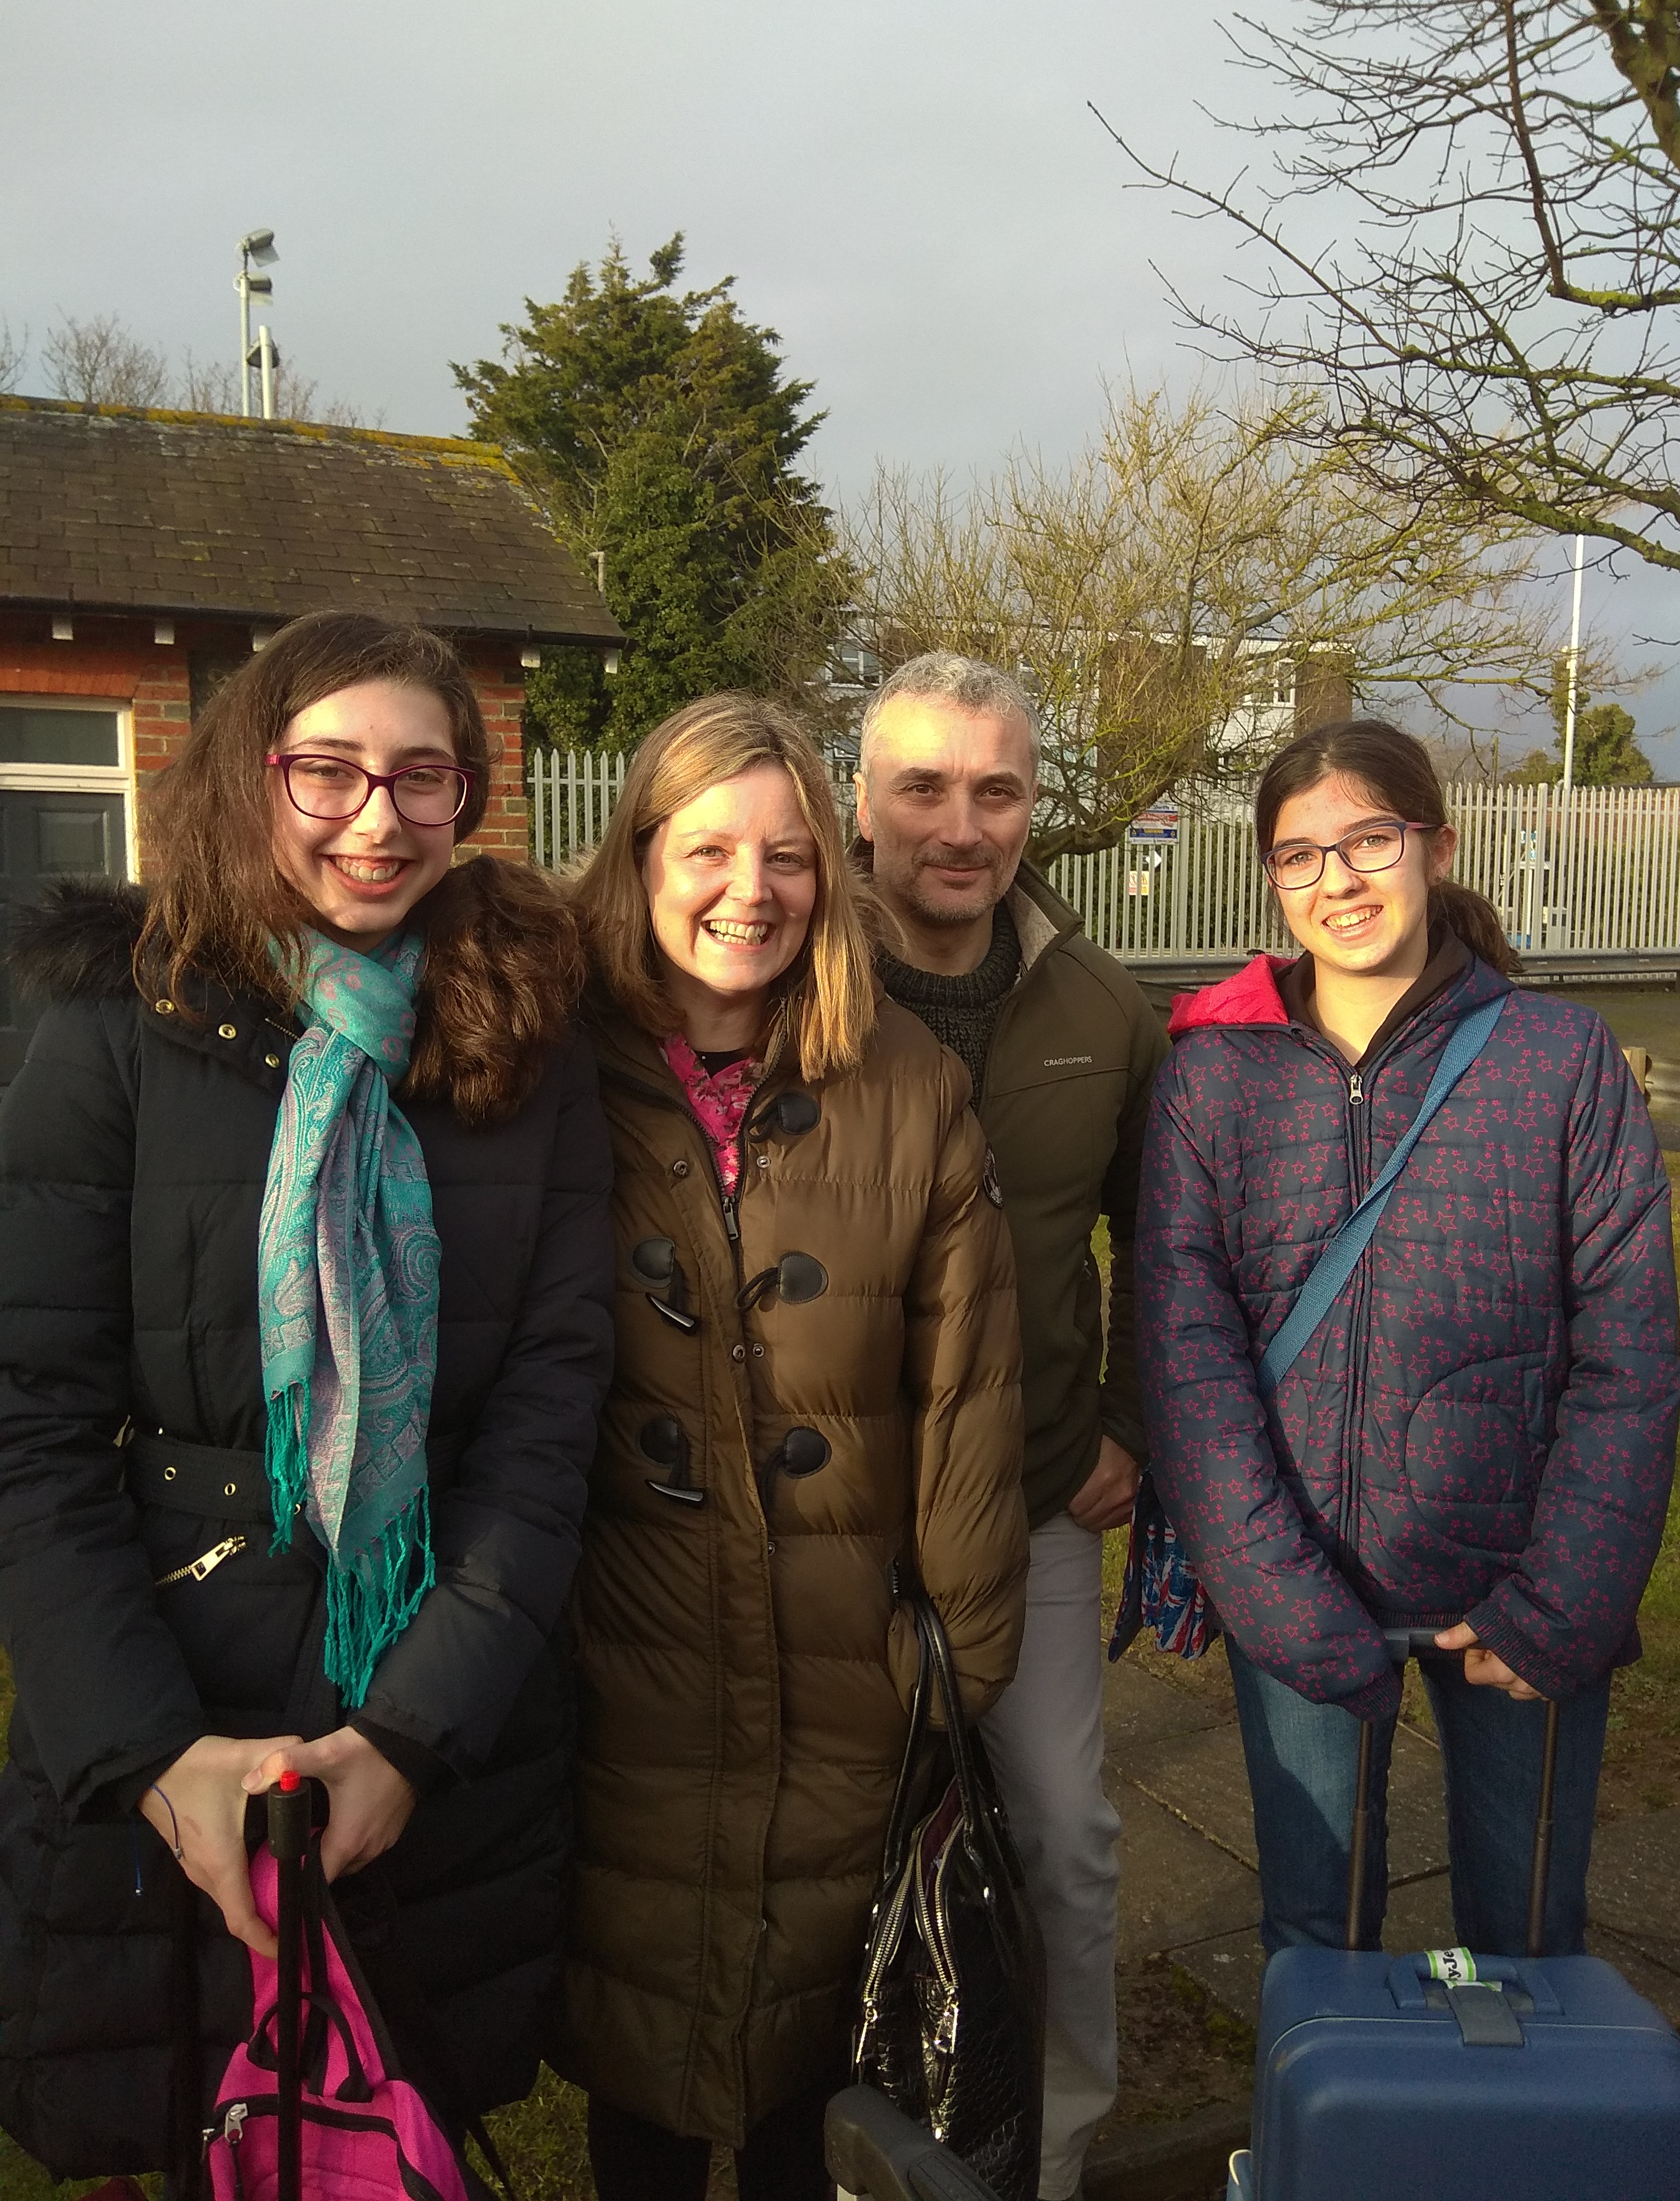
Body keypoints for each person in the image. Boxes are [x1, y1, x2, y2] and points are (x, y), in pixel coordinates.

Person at [0, 611, 614, 2178]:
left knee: (395, 2128)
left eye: (423, 776)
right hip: (175, 1689)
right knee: (188, 2117)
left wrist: (411, 1735)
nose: (376, 819)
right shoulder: (115, 1025)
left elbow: (549, 1420)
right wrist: (151, 1758)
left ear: (469, 796)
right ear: (249, 775)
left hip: (439, 1701)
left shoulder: (523, 1040)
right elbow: (31, 1425)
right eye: (326, 771)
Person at [557, 691, 1028, 2201]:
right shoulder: (545, 1062)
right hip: (618, 1662)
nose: (748, 891)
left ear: (829, 872)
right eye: (708, 849)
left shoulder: (906, 1080)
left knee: (807, 2086)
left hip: (843, 1670)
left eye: (786, 854)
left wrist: (952, 1669)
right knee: (638, 2051)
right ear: (641, 855)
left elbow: (965, 1391)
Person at [1139, 718, 1680, 1960]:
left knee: (1528, 1941)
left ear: (1436, 847)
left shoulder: (1561, 1061)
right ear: (1273, 881)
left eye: (1370, 840)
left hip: (1519, 1587)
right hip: (1299, 1582)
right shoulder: (1213, 1080)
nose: (1338, 879)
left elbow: (1631, 1360)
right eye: (1301, 855)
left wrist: (1565, 1601)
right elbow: (1186, 1358)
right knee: (1316, 1939)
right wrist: (1277, 1601)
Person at [853, 652, 1168, 2201]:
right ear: (861, 801)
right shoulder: (792, 978)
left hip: (1033, 1502)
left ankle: (1047, 2153)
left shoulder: (1103, 1007)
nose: (962, 826)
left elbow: (1164, 1238)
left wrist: (1128, 1422)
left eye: (997, 789)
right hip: (832, 1511)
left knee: (1061, 1839)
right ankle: (858, 2136)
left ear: (1035, 805)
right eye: (924, 786)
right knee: (842, 1849)